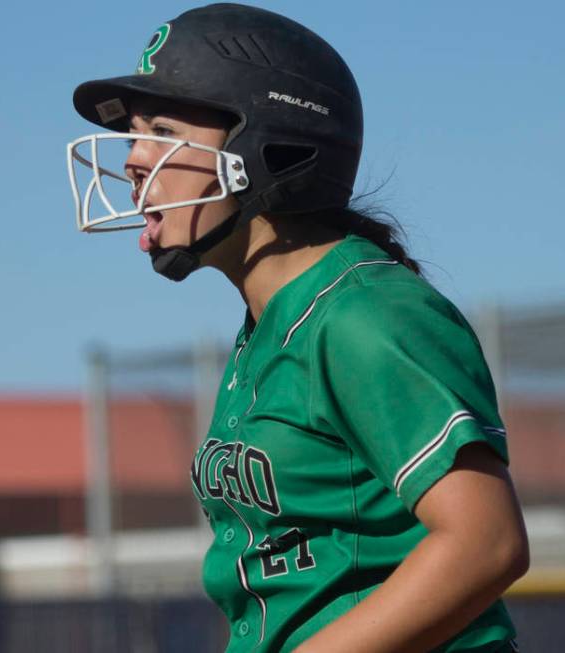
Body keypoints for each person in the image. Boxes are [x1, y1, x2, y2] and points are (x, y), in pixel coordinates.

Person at [66, 4, 529, 652]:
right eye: (136, 134)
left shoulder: (365, 314)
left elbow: (486, 541)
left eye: (162, 129)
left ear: (267, 147)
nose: (135, 160)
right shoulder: (269, 325)